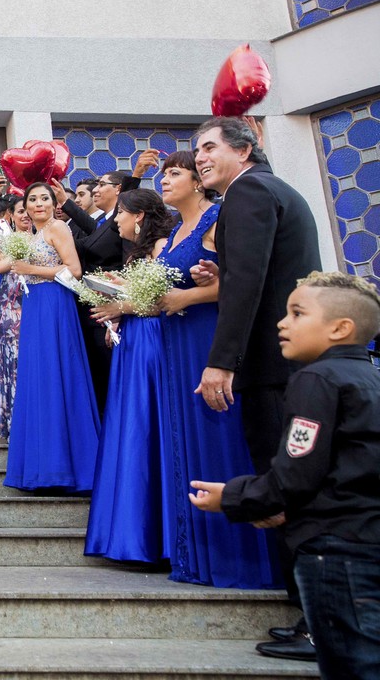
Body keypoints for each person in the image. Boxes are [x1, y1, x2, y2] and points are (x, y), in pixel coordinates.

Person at [190, 272, 380, 679]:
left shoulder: (315, 381)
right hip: (367, 537)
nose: (282, 322)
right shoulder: (370, 378)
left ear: (340, 328)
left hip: (335, 552)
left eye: (297, 313)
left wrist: (235, 497)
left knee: (352, 664)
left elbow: (296, 472)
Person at [192, 116, 321, 658]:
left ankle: (320, 622)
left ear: (244, 149)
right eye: (195, 150)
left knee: (293, 491)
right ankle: (313, 617)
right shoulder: (267, 190)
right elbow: (253, 273)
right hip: (282, 364)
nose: (198, 157)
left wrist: (222, 362)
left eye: (208, 147)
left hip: (271, 367)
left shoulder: (246, 193)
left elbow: (248, 283)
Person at [155, 151, 277, 589]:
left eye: (174, 173)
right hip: (176, 341)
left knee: (220, 435)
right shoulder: (173, 233)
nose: (164, 180)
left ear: (197, 181)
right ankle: (198, 558)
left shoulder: (218, 218)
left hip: (210, 339)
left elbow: (243, 281)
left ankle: (243, 561)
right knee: (185, 437)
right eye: (162, 174)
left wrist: (191, 295)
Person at [0, 182, 100, 492]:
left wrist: (31, 268)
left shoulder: (58, 228)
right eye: (32, 200)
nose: (38, 204)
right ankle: (41, 465)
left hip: (55, 304)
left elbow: (74, 269)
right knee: (37, 379)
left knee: (58, 376)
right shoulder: (29, 237)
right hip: (33, 308)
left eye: (44, 198)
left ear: (53, 202)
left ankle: (68, 467)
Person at [84, 189, 176, 563]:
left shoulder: (159, 249)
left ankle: (145, 531)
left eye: (120, 214)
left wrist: (118, 305)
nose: (116, 221)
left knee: (143, 424)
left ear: (138, 217)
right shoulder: (140, 252)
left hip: (149, 342)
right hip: (132, 338)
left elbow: (160, 300)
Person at [52, 172, 129, 412]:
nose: (96, 189)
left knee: (109, 373)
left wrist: (135, 176)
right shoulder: (104, 224)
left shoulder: (119, 221)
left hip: (110, 307)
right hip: (89, 304)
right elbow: (93, 233)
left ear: (118, 189)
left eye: (101, 185)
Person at [0, 195, 30, 439]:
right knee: (11, 362)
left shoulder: (41, 237)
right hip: (9, 305)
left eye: (28, 210)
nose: (25, 214)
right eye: (20, 211)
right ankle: (14, 421)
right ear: (10, 216)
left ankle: (29, 417)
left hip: (31, 303)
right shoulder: (5, 240)